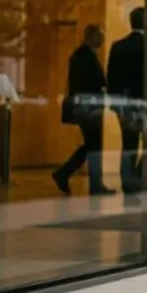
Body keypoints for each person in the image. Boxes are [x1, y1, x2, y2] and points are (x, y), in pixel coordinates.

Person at [53, 25, 113, 196]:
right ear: (91, 36)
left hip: (87, 107)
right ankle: (91, 183)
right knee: (94, 146)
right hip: (88, 108)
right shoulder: (84, 56)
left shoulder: (82, 55)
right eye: (100, 36)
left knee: (91, 145)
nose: (102, 39)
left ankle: (64, 173)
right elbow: (88, 82)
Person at [107, 7, 146, 204]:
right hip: (145, 104)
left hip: (124, 104)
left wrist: (115, 104)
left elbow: (111, 78)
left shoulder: (118, 46)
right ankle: (137, 178)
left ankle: (127, 183)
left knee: (128, 145)